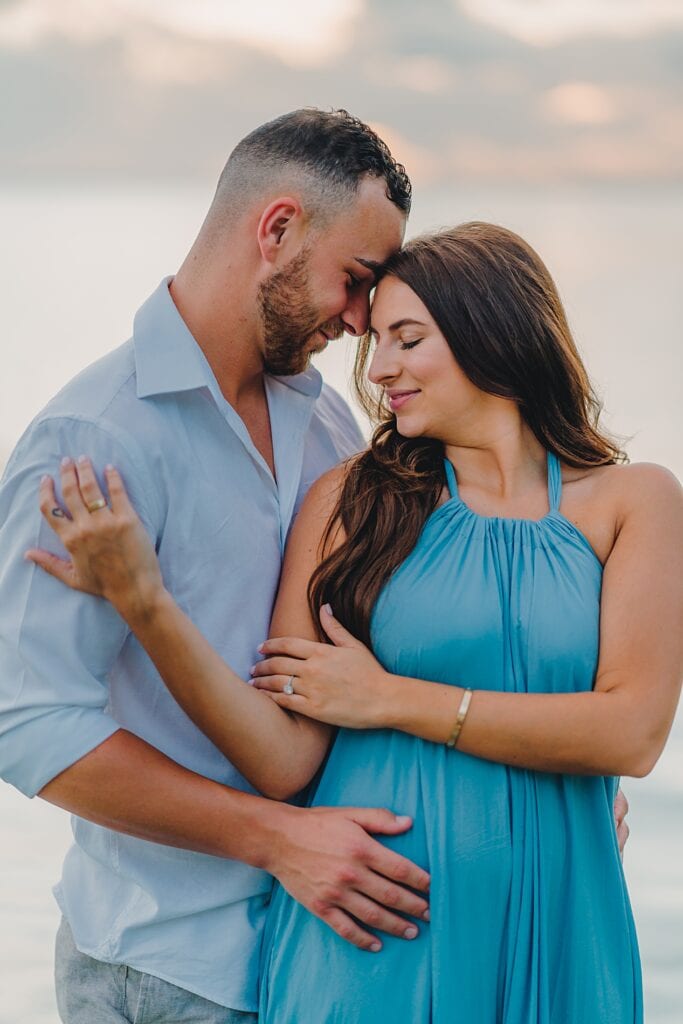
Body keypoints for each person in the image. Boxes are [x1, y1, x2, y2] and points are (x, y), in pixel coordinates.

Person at [26, 223, 672, 1022]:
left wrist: (391, 699)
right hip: (373, 934)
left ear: (494, 332)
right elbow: (282, 758)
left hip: (563, 921)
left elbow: (631, 733)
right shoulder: (348, 501)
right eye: (375, 345)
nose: (380, 370)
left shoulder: (632, 502)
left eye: (408, 339)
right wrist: (145, 604)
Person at [0, 109, 438, 1024]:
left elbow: (372, 658)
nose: (363, 323)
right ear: (276, 230)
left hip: (317, 955)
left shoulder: (329, 431)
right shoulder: (94, 439)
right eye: (355, 282)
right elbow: (28, 723)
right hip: (162, 964)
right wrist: (276, 839)